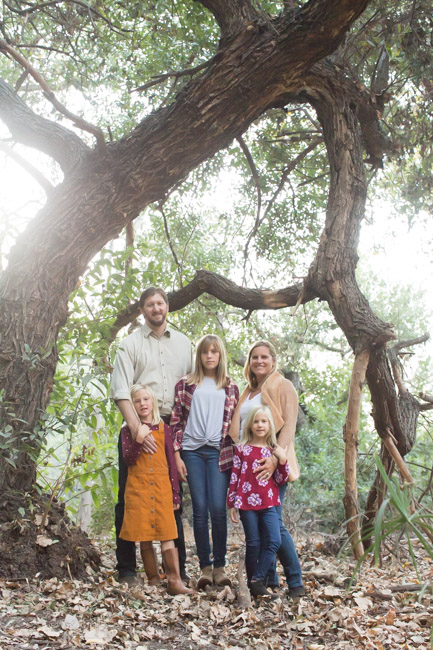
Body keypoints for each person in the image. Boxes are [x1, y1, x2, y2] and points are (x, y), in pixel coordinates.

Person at [110, 286, 193, 585]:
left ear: (167, 307)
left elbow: (191, 389)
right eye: (149, 304)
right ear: (142, 310)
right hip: (139, 423)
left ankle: (177, 573)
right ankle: (128, 570)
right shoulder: (130, 344)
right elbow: (120, 390)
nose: (155, 308)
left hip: (171, 426)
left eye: (160, 303)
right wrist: (136, 429)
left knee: (173, 499)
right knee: (128, 498)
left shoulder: (184, 344)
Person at [229, 340, 305, 598]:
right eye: (254, 357)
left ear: (273, 360)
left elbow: (290, 426)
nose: (259, 361)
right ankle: (269, 582)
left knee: (276, 527)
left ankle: (295, 583)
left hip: (271, 464)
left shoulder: (283, 386)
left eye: (264, 357)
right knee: (261, 531)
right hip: (249, 465)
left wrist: (275, 459)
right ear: (249, 362)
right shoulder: (249, 390)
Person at [170, 334, 239, 589]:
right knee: (199, 510)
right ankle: (205, 568)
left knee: (217, 510)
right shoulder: (185, 384)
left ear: (220, 355)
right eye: (204, 352)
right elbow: (176, 421)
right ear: (198, 356)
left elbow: (235, 426)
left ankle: (220, 567)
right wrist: (177, 455)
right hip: (192, 451)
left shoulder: (230, 386)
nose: (209, 356)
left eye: (214, 352)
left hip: (218, 452)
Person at [119, 384, 192, 595]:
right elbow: (129, 459)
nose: (142, 404)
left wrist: (176, 493)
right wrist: (139, 437)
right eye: (137, 401)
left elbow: (171, 462)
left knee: (168, 533)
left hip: (162, 488)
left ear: (153, 403)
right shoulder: (127, 431)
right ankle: (153, 579)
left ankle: (175, 581)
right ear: (131, 406)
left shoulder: (165, 429)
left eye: (146, 399)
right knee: (145, 535)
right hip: (139, 489)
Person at [228, 406, 289, 599]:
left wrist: (283, 459)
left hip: (269, 502)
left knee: (274, 540)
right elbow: (234, 476)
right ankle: (252, 585)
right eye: (256, 421)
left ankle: (257, 579)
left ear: (270, 425)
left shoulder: (273, 450)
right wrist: (232, 503)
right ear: (250, 425)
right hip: (247, 504)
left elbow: (281, 479)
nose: (260, 425)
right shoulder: (242, 449)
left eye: (264, 421)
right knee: (253, 543)